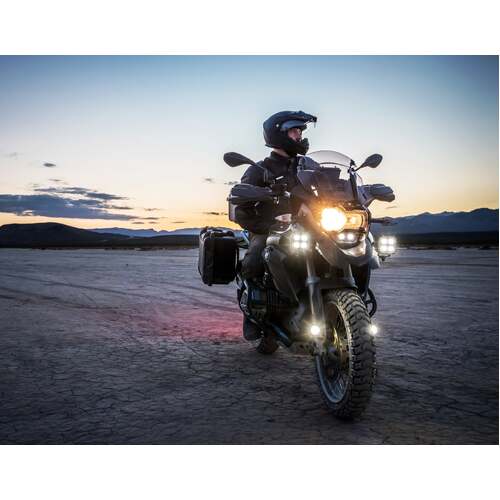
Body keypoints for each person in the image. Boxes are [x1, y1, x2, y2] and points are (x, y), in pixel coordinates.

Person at [234, 110, 317, 340]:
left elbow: (332, 189)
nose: (299, 136)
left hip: (311, 228)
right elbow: (242, 211)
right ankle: (253, 313)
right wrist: (270, 225)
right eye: (294, 131)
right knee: (257, 256)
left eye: (300, 131)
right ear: (278, 134)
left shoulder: (310, 167)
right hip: (270, 229)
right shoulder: (258, 170)